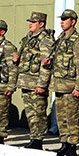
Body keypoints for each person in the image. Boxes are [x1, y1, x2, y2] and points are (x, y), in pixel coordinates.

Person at [48, 9, 79, 156]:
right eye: (61, 19)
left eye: (65, 19)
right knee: (61, 117)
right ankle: (64, 143)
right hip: (59, 85)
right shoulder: (61, 39)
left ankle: (72, 147)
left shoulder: (78, 41)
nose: (62, 21)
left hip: (71, 87)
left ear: (73, 21)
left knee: (72, 117)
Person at [16, 11, 54, 149]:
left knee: (38, 113)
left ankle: (38, 140)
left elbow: (46, 65)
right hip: (26, 82)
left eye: (33, 22)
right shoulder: (29, 38)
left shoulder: (45, 40)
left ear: (41, 24)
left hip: (36, 83)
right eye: (30, 22)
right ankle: (34, 137)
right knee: (31, 114)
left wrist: (42, 84)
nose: (30, 24)